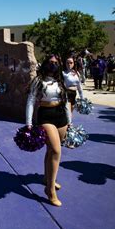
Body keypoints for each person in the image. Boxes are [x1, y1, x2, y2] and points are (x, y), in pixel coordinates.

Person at [26, 55, 70, 207]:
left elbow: (66, 101)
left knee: (51, 150)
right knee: (56, 151)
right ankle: (50, 189)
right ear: (45, 64)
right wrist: (29, 123)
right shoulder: (39, 81)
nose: (53, 65)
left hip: (61, 116)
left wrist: (69, 121)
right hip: (46, 116)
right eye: (51, 63)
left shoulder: (60, 80)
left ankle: (47, 178)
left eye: (56, 63)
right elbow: (31, 100)